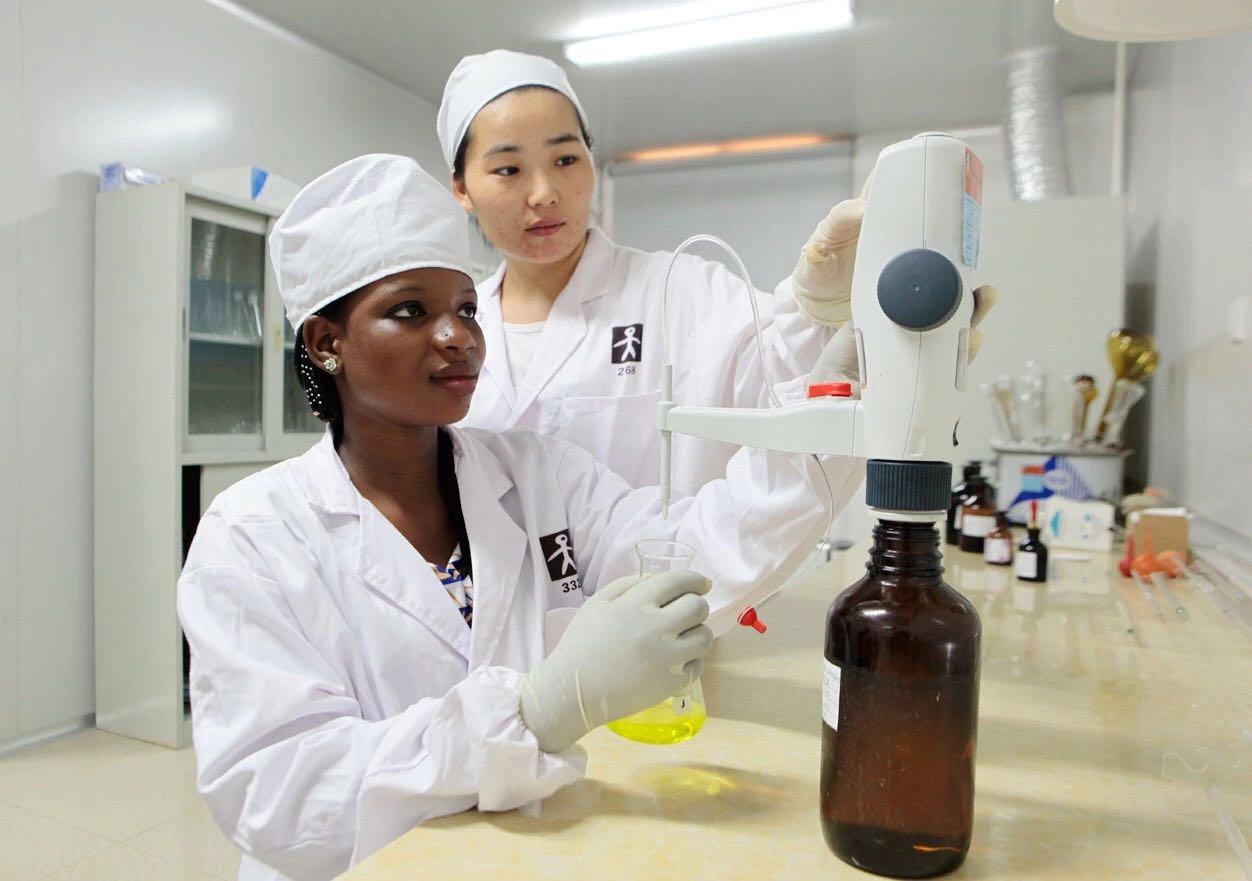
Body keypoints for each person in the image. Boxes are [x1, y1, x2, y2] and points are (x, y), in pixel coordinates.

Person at [178, 154, 853, 881]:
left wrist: (832, 393)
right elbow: (280, 792)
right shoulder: (252, 534)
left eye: (467, 308)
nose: (459, 336)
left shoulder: (537, 472)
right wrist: (534, 712)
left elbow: (690, 555)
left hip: (522, 854)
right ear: (326, 342)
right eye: (411, 311)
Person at [438, 50, 997, 496]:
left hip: (661, 592)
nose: (544, 193)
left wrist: (815, 312)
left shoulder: (680, 290)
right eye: (508, 169)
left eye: (565, 159)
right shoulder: (452, 330)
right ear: (462, 187)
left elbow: (786, 385)